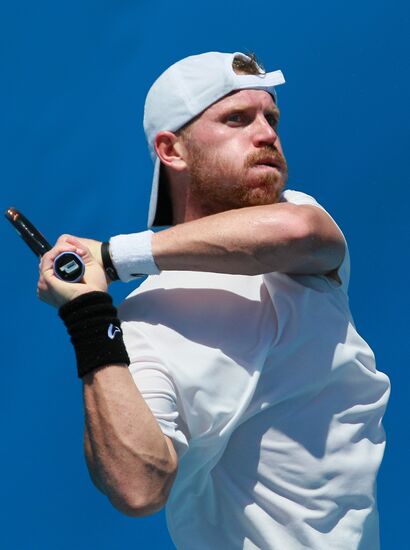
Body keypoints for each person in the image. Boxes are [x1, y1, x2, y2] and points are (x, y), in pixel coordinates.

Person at [37, 52, 391, 549]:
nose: (267, 134)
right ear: (171, 150)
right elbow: (138, 487)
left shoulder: (300, 230)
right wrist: (88, 315)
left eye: (272, 118)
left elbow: (300, 233)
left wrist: (113, 257)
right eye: (237, 119)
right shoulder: (141, 325)